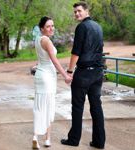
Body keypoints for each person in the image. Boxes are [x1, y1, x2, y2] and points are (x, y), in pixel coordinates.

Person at [61, 1, 106, 149]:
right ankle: (99, 142)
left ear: (87, 11)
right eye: (75, 12)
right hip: (98, 73)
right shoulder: (98, 27)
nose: (77, 14)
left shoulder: (81, 27)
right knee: (96, 107)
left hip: (84, 73)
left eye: (79, 11)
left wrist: (69, 72)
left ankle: (73, 140)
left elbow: (76, 52)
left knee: (77, 107)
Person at [32, 16, 72, 149]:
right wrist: (65, 75)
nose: (51, 28)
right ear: (42, 28)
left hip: (40, 75)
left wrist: (36, 65)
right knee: (47, 106)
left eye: (53, 26)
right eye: (48, 26)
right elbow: (54, 61)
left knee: (40, 106)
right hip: (47, 76)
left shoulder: (38, 39)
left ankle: (39, 137)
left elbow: (42, 58)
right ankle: (45, 138)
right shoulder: (47, 41)